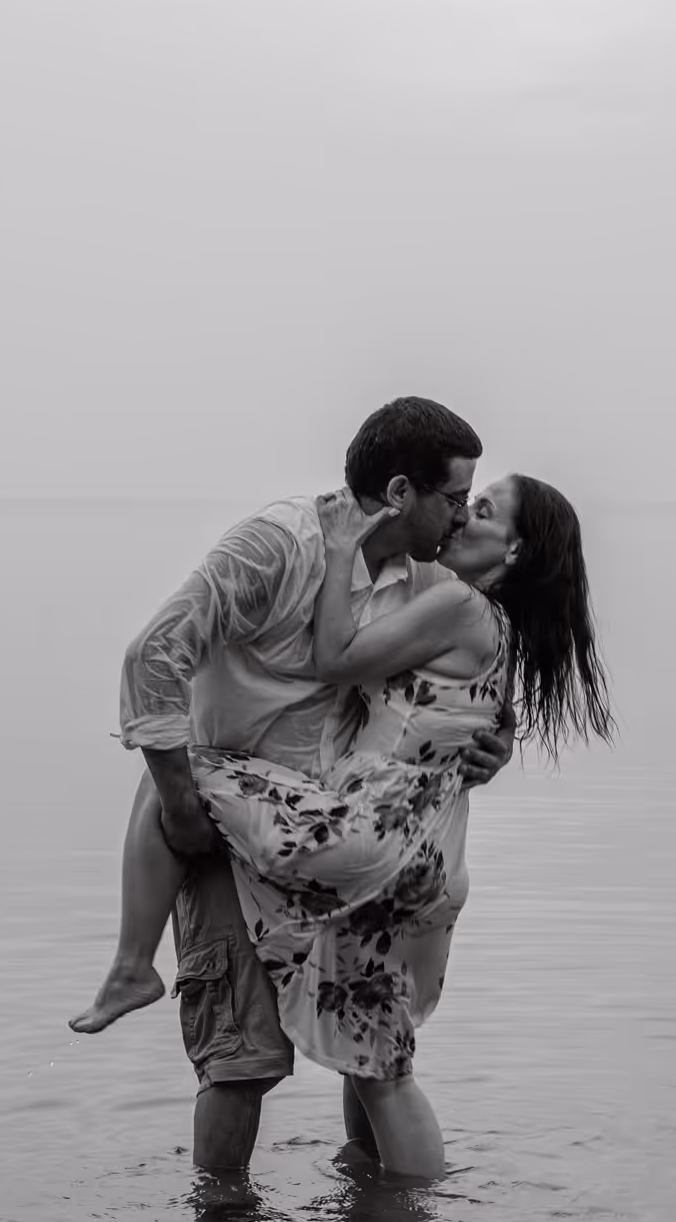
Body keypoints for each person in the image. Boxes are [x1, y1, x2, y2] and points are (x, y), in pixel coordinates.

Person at [72, 462, 613, 1178]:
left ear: (513, 552)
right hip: (427, 860)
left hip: (364, 839)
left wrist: (334, 556)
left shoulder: (450, 601)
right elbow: (470, 715)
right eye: (459, 500)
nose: (461, 517)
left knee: (178, 761)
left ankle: (129, 968)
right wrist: (499, 742)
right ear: (401, 490)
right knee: (377, 1060)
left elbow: (335, 658)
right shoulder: (486, 620)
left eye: (478, 508)